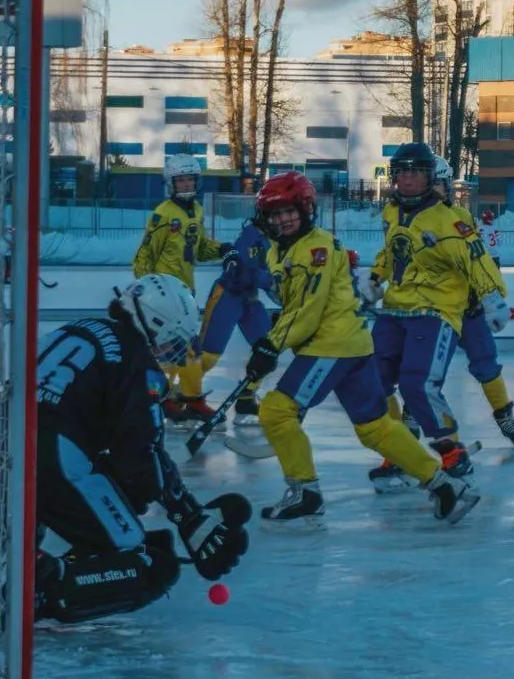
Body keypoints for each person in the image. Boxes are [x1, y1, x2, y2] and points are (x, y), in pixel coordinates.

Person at [0, 274, 251, 621]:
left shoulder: (82, 328)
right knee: (147, 560)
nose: (170, 355)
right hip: (51, 448)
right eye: (170, 343)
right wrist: (186, 514)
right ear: (154, 322)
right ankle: (43, 587)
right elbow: (140, 455)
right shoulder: (138, 361)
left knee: (9, 515)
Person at [246, 170, 479, 530]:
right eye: (275, 215)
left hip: (330, 345)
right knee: (374, 427)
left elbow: (308, 310)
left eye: (289, 211)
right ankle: (445, 485)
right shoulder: (283, 250)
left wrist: (269, 344)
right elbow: (292, 301)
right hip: (351, 345)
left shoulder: (315, 249)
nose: (283, 219)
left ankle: (305, 492)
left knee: (277, 412)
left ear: (306, 208)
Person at [359, 145, 514, 493]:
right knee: (375, 381)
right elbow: (391, 251)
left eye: (416, 172)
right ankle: (399, 450)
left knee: (419, 384)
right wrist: (375, 278)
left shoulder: (450, 220)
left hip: (435, 310)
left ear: (430, 176)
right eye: (402, 172)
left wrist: (492, 297)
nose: (408, 179)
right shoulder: (391, 212)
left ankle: (452, 450)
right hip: (396, 307)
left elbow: (476, 258)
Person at [133, 154, 235, 424]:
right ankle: (174, 400)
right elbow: (143, 256)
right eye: (181, 180)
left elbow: (199, 248)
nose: (187, 184)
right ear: (171, 183)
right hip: (165, 297)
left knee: (184, 352)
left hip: (185, 292)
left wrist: (222, 248)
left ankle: (179, 399)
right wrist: (148, 294)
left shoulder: (198, 210)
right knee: (171, 352)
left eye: (191, 178)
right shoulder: (163, 214)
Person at [198, 218, 272, 424]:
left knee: (269, 348)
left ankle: (246, 397)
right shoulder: (250, 237)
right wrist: (272, 280)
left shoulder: (277, 239)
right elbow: (244, 272)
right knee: (207, 354)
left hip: (249, 298)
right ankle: (184, 396)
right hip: (228, 296)